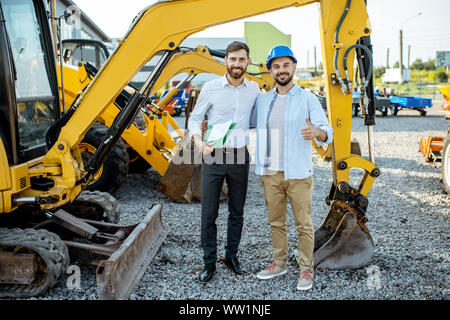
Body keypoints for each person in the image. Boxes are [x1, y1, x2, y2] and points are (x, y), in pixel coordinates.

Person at [251, 45, 333, 291]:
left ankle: (306, 270)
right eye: (276, 66)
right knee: (276, 222)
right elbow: (242, 123)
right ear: (271, 71)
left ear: (294, 66)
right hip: (270, 172)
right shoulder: (263, 100)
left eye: (286, 65)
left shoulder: (307, 98)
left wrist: (315, 132)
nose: (281, 70)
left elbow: (327, 132)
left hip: (298, 173)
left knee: (303, 224)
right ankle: (279, 263)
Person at [187, 41, 260, 283]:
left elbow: (255, 120)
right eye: (233, 59)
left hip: (240, 155)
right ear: (226, 61)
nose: (237, 64)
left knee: (237, 212)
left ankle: (231, 256)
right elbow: (195, 118)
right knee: (209, 212)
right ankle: (209, 263)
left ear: (248, 62)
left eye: (241, 60)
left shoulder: (255, 89)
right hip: (214, 155)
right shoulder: (210, 87)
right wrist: (198, 141)